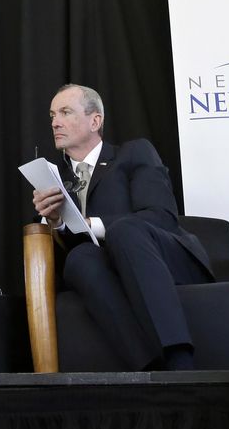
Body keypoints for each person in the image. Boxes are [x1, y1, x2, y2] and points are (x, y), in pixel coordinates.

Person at [31, 84, 213, 371]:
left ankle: (181, 365)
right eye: (52, 115)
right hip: (108, 270)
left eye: (65, 112)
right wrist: (55, 221)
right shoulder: (56, 180)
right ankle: (148, 369)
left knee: (124, 230)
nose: (55, 122)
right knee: (79, 259)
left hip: (166, 259)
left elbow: (161, 216)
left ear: (95, 121)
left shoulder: (133, 153)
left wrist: (93, 223)